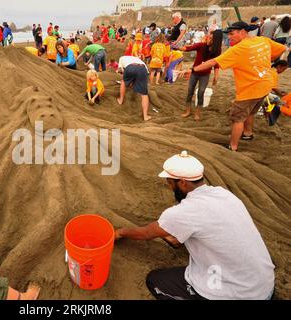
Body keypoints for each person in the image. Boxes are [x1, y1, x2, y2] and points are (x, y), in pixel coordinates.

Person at [114, 151, 275, 300]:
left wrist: (120, 233)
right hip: (264, 284)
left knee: (155, 281)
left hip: (242, 294)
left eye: (170, 183)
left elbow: (145, 234)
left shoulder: (182, 213)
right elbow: (196, 231)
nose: (169, 187)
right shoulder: (223, 194)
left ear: (182, 183)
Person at [185, 21, 286, 151]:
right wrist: (268, 58)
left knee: (238, 118)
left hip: (250, 89)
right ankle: (248, 133)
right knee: (250, 112)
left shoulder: (238, 49)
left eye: (232, 34)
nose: (229, 37)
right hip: (266, 85)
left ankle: (233, 146)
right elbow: (283, 48)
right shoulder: (262, 40)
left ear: (242, 32)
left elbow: (213, 61)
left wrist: (193, 70)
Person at [179, 30, 223, 121]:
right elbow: (188, 48)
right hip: (194, 73)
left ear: (216, 41)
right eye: (208, 37)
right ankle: (188, 111)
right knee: (190, 91)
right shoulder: (201, 45)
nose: (208, 39)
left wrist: (216, 75)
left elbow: (216, 63)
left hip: (205, 75)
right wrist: (176, 46)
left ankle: (197, 113)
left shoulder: (217, 50)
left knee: (201, 92)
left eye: (211, 38)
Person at [117, 55, 151, 121]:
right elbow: (145, 74)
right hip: (142, 69)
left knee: (123, 81)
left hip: (130, 67)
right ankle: (145, 116)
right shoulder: (138, 59)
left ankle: (120, 100)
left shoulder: (121, 58)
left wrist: (127, 80)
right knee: (144, 94)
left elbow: (122, 71)